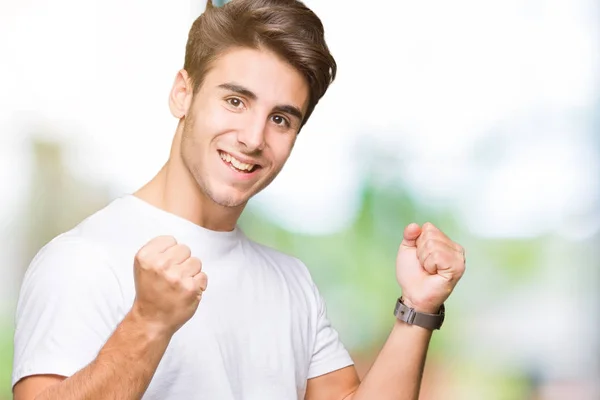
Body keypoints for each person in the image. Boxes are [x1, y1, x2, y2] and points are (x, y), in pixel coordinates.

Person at [11, 0, 466, 399]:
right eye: (235, 101)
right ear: (182, 93)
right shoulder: (80, 260)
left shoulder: (291, 282)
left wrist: (418, 308)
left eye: (281, 120)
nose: (253, 138)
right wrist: (147, 324)